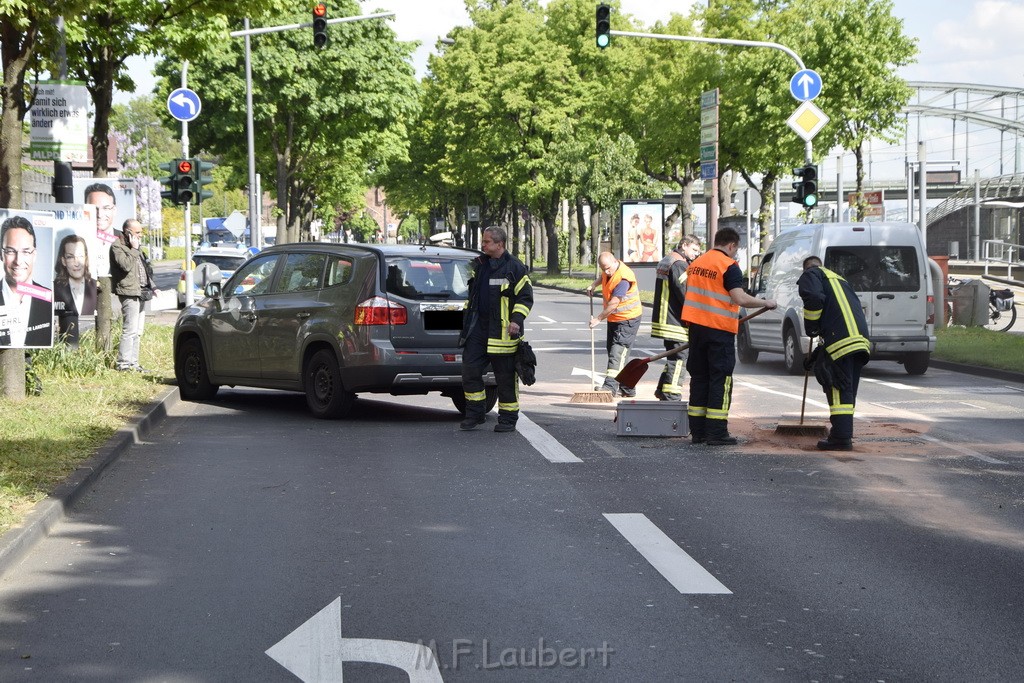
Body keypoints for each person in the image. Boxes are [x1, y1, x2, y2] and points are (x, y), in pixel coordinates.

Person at [681, 228, 776, 445]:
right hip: (719, 330)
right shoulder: (729, 266)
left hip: (696, 329)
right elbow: (739, 298)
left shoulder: (696, 264)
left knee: (699, 378)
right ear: (731, 245)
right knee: (720, 379)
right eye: (736, 249)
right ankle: (716, 432)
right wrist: (765, 303)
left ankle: (698, 432)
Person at [459, 226, 534, 432]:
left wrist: (516, 320)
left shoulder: (514, 268)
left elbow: (525, 297)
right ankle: (475, 414)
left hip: (503, 333)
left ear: (499, 244)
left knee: (505, 378)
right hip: (478, 331)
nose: (482, 245)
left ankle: (508, 419)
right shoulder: (481, 265)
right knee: (470, 370)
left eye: (486, 242)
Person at [798, 256, 871, 451]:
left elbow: (813, 299)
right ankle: (843, 433)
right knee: (847, 390)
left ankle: (841, 438)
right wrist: (814, 357)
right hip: (859, 340)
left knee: (838, 387)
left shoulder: (811, 274)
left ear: (807, 269)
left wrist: (811, 326)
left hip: (842, 341)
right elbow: (837, 322)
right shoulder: (838, 279)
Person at [651, 235, 701, 401]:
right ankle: (671, 393)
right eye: (694, 250)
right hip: (675, 320)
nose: (695, 254)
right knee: (680, 358)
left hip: (665, 318)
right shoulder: (679, 265)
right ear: (684, 245)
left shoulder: (667, 260)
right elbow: (685, 294)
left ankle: (662, 389)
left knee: (673, 356)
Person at [588, 251, 642, 398]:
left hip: (628, 319)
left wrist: (598, 319)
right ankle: (627, 387)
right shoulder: (609, 270)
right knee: (615, 353)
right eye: (603, 269)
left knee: (617, 353)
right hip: (615, 318)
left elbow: (614, 303)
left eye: (607, 268)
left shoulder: (624, 277)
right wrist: (594, 284)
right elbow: (604, 277)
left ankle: (610, 387)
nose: (606, 272)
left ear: (614, 262)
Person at [110, 219, 157, 372]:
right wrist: (135, 249)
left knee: (138, 331)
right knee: (129, 330)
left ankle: (134, 364)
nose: (140, 236)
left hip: (141, 291)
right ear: (128, 232)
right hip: (129, 292)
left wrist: (153, 286)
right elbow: (125, 265)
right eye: (137, 233)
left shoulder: (136, 247)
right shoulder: (117, 246)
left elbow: (144, 268)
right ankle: (123, 364)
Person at [1, 215, 54, 347]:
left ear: (34, 255)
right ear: (1, 255)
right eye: (11, 251)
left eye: (25, 252)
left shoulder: (48, 297)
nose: (18, 261)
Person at [53, 234, 98, 345]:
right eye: (70, 257)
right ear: (63, 261)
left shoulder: (96, 287)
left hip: (90, 346)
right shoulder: (53, 288)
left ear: (86, 259)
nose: (76, 263)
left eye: (80, 256)